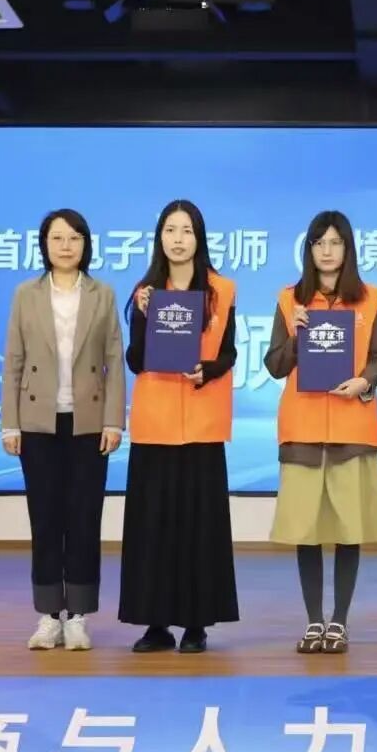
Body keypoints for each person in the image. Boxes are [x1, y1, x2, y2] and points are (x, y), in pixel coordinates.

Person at [264, 210, 377, 655]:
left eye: (336, 242)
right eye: (319, 243)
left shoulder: (370, 299)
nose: (327, 251)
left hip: (352, 428)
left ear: (348, 248)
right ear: (309, 249)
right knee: (307, 530)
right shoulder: (290, 300)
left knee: (349, 529)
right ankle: (314, 621)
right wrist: (296, 336)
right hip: (302, 428)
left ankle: (339, 622)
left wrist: (364, 381)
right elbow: (275, 364)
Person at [1, 208, 125, 651]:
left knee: (85, 519)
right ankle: (49, 615)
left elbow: (113, 361)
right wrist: (9, 424)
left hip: (89, 423)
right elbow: (13, 361)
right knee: (46, 519)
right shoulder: (26, 294)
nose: (66, 245)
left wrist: (114, 420)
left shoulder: (102, 294)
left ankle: (79, 616)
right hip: (38, 422)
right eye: (57, 238)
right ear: (45, 245)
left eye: (74, 238)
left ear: (86, 244)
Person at [120, 199, 239, 654]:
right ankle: (156, 624)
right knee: (153, 528)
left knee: (199, 528)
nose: (178, 239)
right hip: (155, 424)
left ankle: (196, 624)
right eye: (170, 230)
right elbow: (135, 360)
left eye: (186, 230)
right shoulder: (146, 292)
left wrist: (207, 370)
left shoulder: (222, 290)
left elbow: (229, 353)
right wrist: (144, 315)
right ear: (160, 238)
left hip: (203, 424)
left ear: (199, 238)